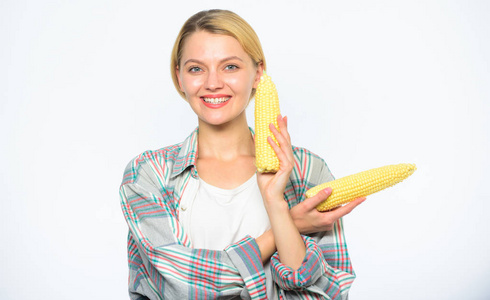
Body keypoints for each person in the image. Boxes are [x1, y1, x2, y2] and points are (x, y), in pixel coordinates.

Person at [119, 9, 365, 299]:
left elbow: (326, 294)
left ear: (258, 73)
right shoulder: (149, 174)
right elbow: (182, 286)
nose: (212, 83)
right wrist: (287, 226)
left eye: (230, 67)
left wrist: (276, 204)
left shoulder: (308, 171)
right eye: (196, 68)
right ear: (180, 77)